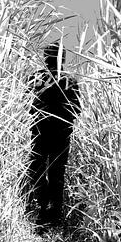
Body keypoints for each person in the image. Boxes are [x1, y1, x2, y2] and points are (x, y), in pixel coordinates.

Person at [28, 43, 81, 227]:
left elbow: (27, 107)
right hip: (60, 134)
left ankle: (41, 210)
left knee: (39, 170)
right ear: (63, 59)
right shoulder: (69, 81)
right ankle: (54, 214)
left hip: (40, 132)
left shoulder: (36, 78)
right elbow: (76, 110)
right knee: (57, 172)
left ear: (46, 57)